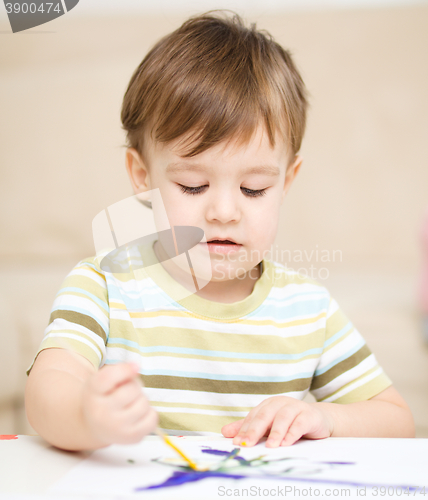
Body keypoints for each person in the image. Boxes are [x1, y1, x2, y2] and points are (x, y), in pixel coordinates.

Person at [25, 11, 414, 452]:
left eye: (254, 189)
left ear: (286, 182)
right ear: (141, 174)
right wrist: (85, 416)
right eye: (193, 185)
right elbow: (47, 393)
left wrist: (325, 416)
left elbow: (397, 421)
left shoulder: (308, 310)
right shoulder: (105, 286)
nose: (225, 212)